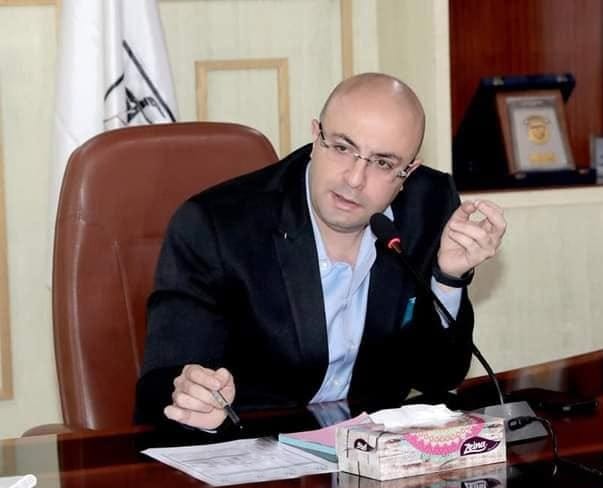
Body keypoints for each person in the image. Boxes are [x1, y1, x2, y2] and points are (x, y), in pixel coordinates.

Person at [134, 73, 506, 430]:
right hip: (255, 446)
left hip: (368, 450)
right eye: (342, 148)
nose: (354, 179)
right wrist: (194, 399)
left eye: (383, 163)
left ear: (408, 172)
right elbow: (159, 387)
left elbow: (438, 377)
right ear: (316, 137)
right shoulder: (216, 226)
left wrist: (448, 278)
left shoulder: (430, 206)